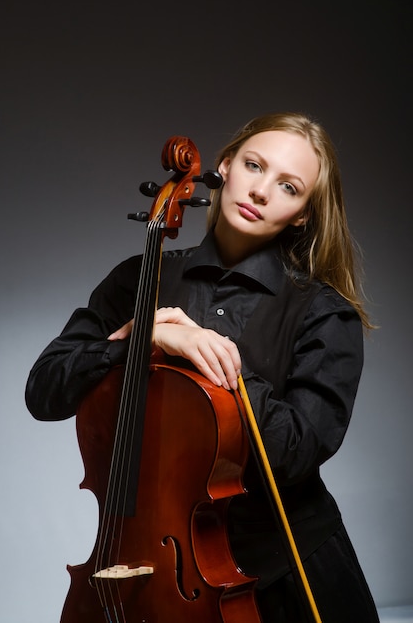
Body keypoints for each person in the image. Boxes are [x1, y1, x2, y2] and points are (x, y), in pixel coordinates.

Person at [25, 112, 380, 622]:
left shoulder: (324, 313)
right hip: (141, 559)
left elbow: (296, 453)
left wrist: (216, 361)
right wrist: (140, 337)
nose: (260, 191)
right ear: (224, 167)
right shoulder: (138, 281)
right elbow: (44, 391)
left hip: (282, 575)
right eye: (254, 166)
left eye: (288, 186)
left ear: (303, 214)